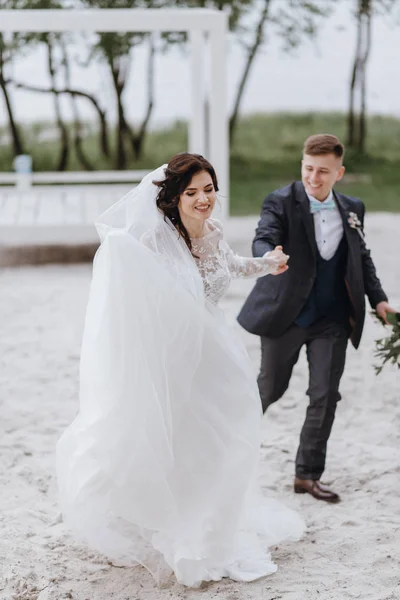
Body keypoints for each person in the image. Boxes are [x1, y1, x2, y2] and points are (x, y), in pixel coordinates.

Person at [56, 153, 304, 588]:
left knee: (225, 435)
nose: (203, 199)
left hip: (215, 353)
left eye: (208, 189)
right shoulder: (152, 241)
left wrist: (268, 264)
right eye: (192, 193)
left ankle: (212, 521)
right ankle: (170, 522)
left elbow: (228, 265)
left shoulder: (214, 232)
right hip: (172, 355)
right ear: (174, 198)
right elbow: (134, 294)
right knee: (179, 438)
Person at [238, 134, 396, 504]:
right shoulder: (280, 200)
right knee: (269, 389)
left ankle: (307, 475)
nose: (313, 177)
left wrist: (380, 300)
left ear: (338, 172)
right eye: (308, 168)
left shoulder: (353, 207)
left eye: (323, 171)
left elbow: (361, 258)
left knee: (325, 395)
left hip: (333, 318)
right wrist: (269, 255)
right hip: (286, 314)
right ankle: (222, 453)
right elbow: (264, 236)